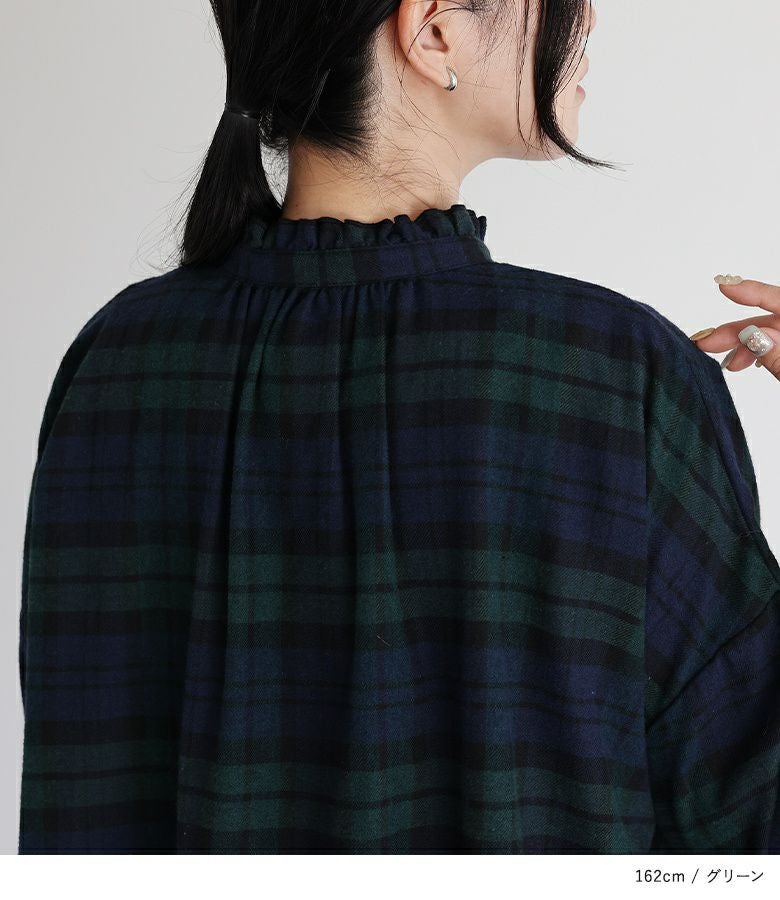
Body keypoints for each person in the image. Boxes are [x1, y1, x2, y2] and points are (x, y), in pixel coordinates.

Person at [17, 0, 780, 853]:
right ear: (434, 30)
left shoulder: (115, 363)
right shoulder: (619, 375)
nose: (589, 15)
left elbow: (77, 804)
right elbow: (749, 830)